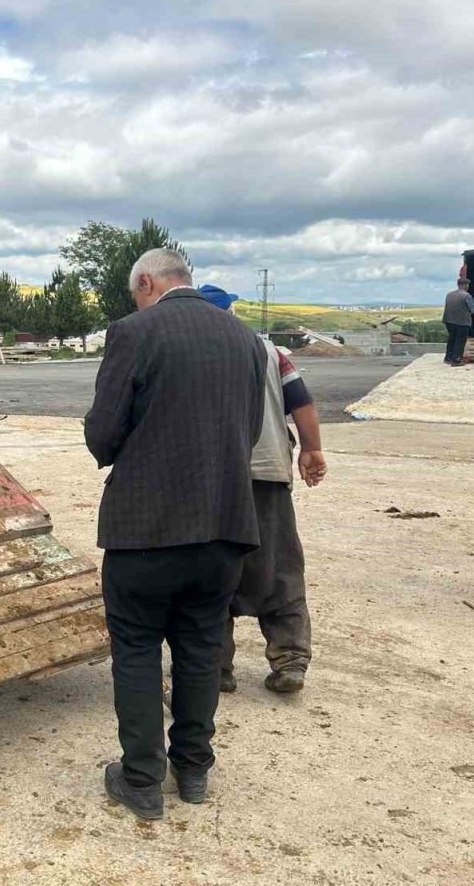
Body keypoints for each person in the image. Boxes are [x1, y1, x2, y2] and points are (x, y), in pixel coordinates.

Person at [85, 250, 265, 818]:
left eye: (134, 291)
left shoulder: (133, 332)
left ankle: (140, 779)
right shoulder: (245, 339)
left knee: (136, 649)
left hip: (145, 529)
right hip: (224, 526)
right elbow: (252, 429)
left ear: (146, 282)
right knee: (199, 648)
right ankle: (193, 770)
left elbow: (103, 435)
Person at [196, 285, 327, 693]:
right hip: (267, 473)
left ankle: (214, 667)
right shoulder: (269, 351)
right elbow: (301, 401)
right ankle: (289, 660)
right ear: (232, 312)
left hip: (211, 481)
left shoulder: (192, 352)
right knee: (280, 568)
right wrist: (312, 449)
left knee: (211, 571)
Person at [442, 277, 474, 365]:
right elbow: (473, 310)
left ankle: (448, 358)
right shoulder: (466, 296)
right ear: (466, 285)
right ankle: (456, 360)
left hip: (448, 321)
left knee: (452, 339)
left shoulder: (449, 294)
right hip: (462, 322)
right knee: (460, 341)